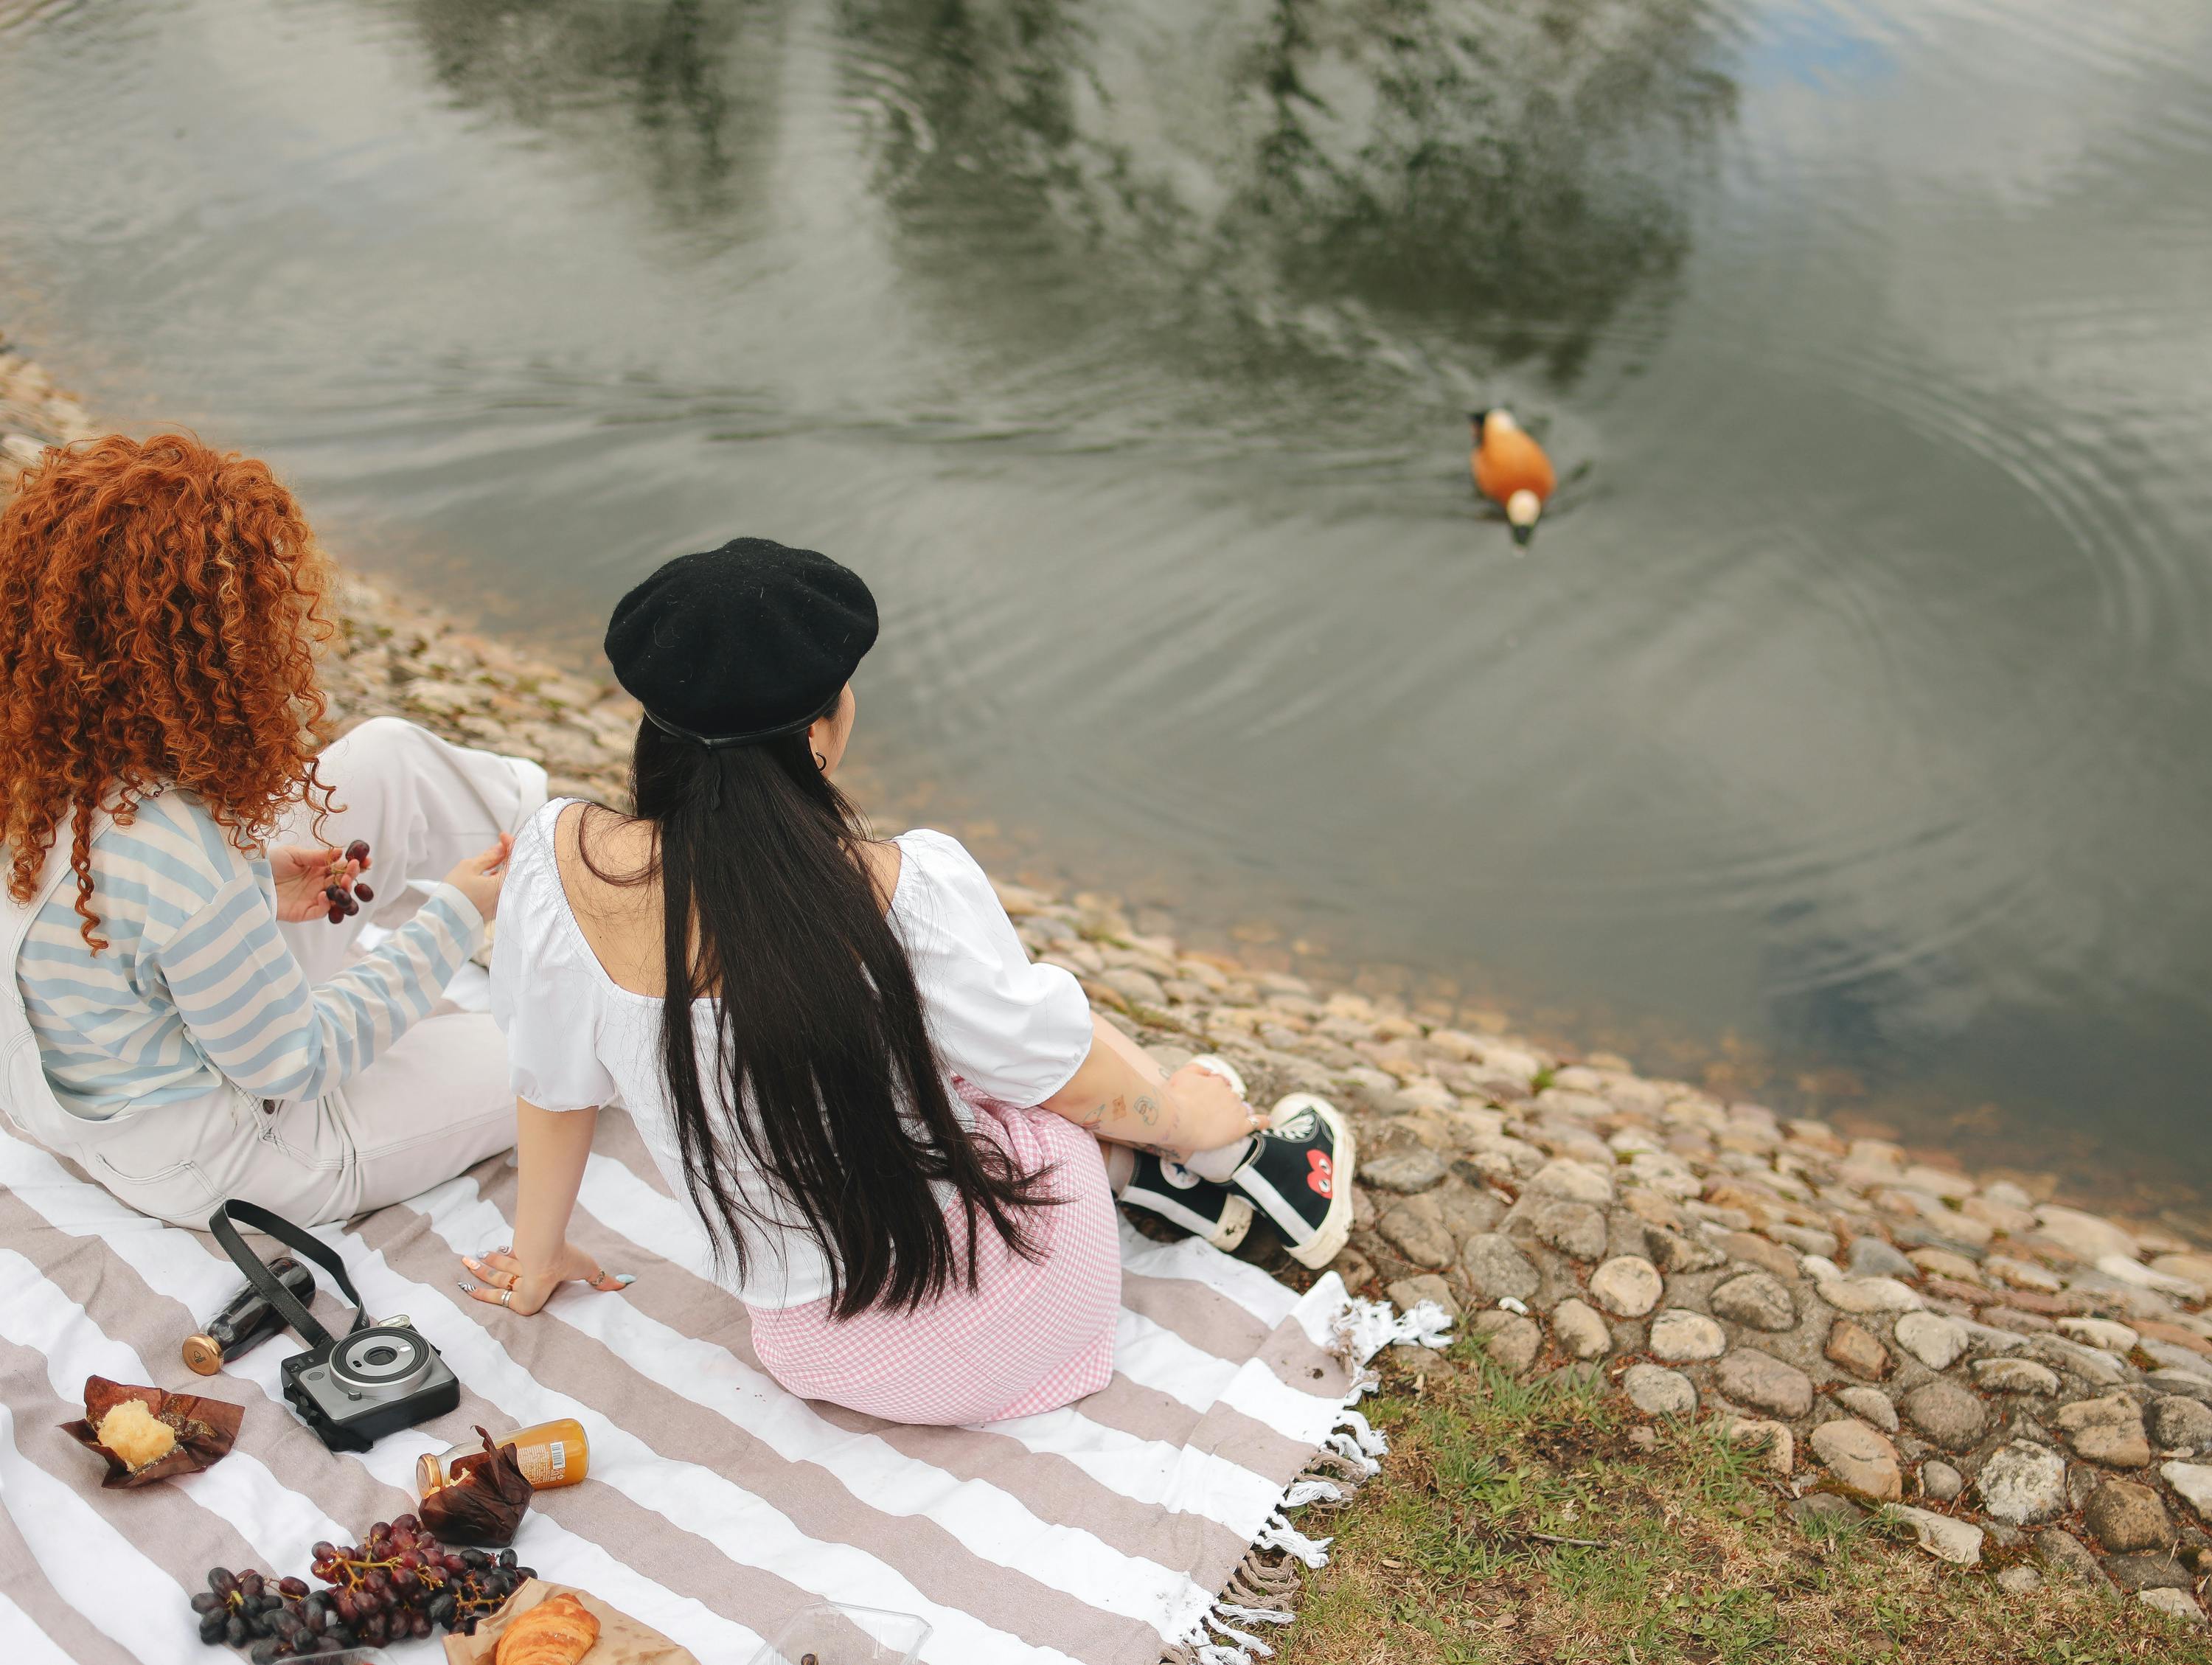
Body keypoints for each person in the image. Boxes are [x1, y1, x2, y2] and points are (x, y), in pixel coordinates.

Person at [459, 538, 1357, 1424]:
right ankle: (1237, 1157)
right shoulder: (901, 888)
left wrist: (536, 1256)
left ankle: (1188, 1168)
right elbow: (1057, 1073)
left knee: (950, 1036)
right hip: (1023, 1309)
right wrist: (1178, 1111)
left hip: (818, 1349)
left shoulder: (557, 863)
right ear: (817, 734)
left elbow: (552, 1081)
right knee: (1033, 1019)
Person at [0, 434, 546, 1226]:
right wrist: (455, 917)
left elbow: (122, 932)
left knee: (386, 755)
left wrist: (252, 883)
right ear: (200, 650)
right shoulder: (172, 844)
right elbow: (297, 1060)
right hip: (233, 1155)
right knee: (571, 1042)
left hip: (123, 1062)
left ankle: (586, 861)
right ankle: (637, 962)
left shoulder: (37, 761)